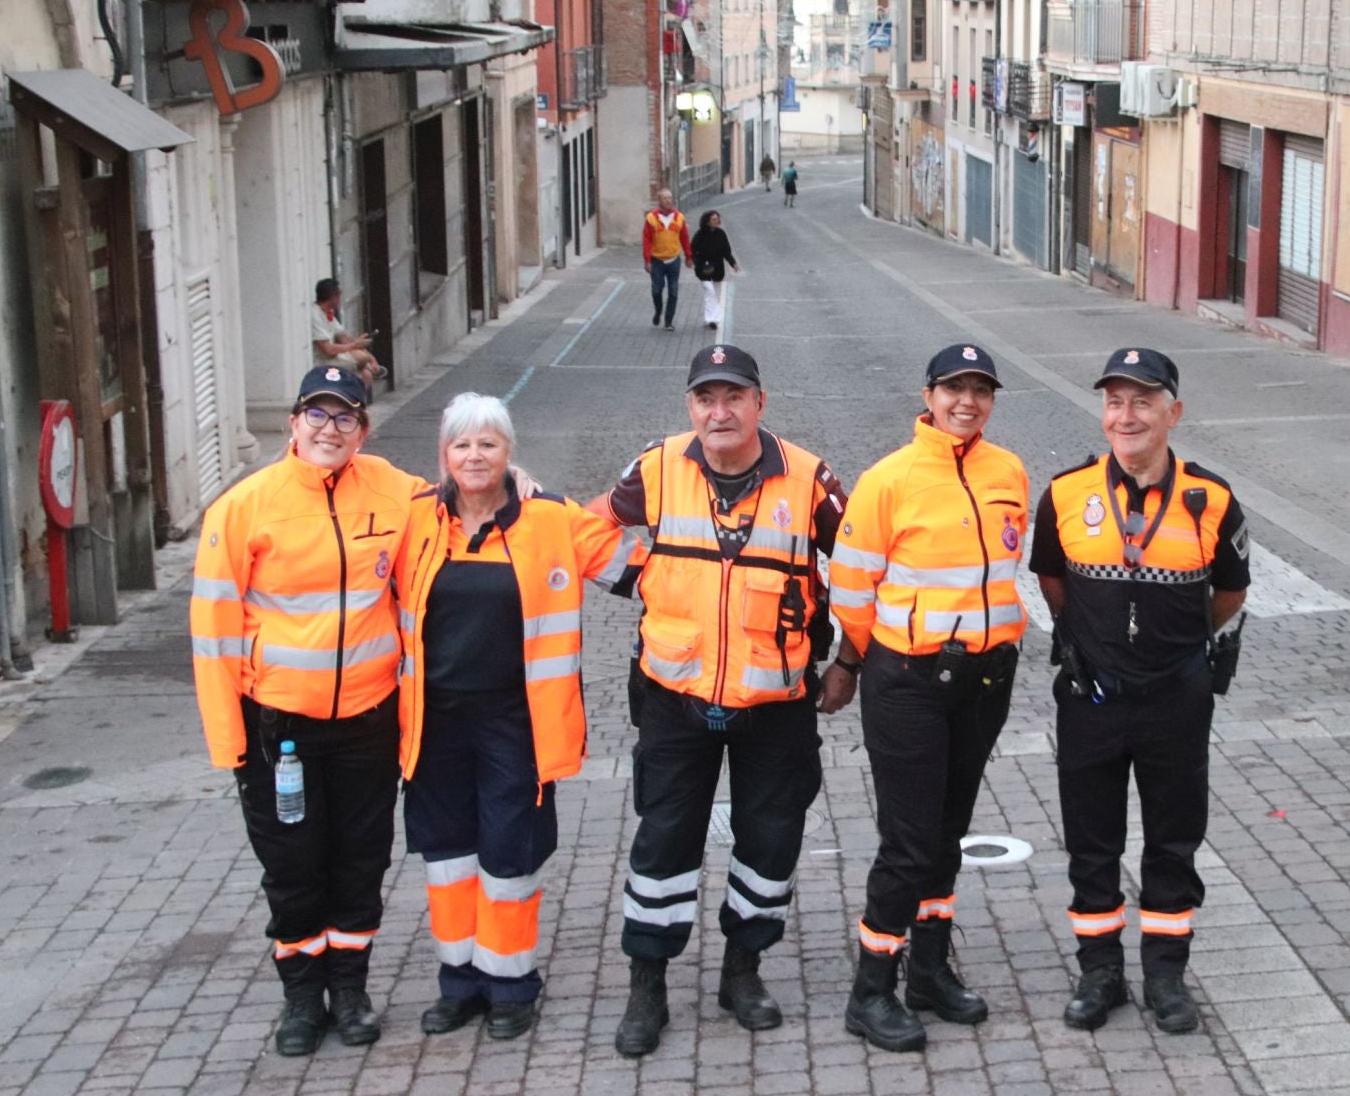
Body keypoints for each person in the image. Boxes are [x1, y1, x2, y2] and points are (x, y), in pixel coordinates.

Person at [586, 343, 853, 1058]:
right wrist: (642, 576)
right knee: (664, 838)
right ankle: (648, 983)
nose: (720, 411)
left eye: (734, 396)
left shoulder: (809, 478)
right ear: (690, 407)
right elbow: (586, 530)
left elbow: (861, 566)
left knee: (770, 839)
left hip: (777, 702)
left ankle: (743, 971)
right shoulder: (656, 467)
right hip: (674, 698)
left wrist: (846, 658)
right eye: (706, 398)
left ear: (760, 404)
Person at [190, 364, 424, 1056]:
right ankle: (301, 999)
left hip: (368, 720)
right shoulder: (243, 508)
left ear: (363, 430)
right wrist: (229, 740)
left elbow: (466, 497)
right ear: (294, 423)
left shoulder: (395, 491)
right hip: (277, 730)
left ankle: (349, 992)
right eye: (317, 415)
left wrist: (520, 483)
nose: (330, 429)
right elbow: (212, 633)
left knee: (360, 861)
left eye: (345, 416)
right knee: (293, 869)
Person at [397, 394, 643, 1041]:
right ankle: (459, 982)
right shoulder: (414, 517)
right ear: (443, 456)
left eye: (488, 443)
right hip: (434, 722)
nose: (474, 456)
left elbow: (641, 571)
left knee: (510, 856)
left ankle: (511, 983)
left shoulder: (550, 518)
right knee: (447, 858)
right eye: (462, 445)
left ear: (510, 452)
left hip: (517, 722)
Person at [1031, 348, 1250, 1035]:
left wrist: (1179, 646)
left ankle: (1165, 976)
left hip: (1175, 700)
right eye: (1115, 401)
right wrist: (1085, 640)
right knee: (1091, 842)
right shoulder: (1065, 494)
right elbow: (1051, 579)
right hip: (1092, 697)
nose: (1126, 416)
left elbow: (1231, 592)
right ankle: (1100, 973)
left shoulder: (1213, 500)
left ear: (1172, 413)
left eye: (1143, 401)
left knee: (1172, 842)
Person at [826, 344, 1029, 1053]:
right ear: (928, 396)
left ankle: (930, 972)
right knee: (909, 843)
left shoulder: (1008, 471)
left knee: (948, 833)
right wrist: (863, 658)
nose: (966, 402)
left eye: (980, 390)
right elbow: (851, 588)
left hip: (985, 678)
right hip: (908, 680)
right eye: (953, 388)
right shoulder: (889, 479)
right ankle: (870, 989)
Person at [310, 279, 387, 389]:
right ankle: (370, 368)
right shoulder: (316, 315)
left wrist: (371, 357)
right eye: (339, 294)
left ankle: (360, 391)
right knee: (361, 358)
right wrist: (356, 346)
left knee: (366, 374)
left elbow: (343, 337)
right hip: (323, 361)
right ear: (333, 296)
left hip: (335, 357)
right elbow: (327, 350)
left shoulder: (328, 312)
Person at [641, 188, 693, 331]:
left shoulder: (679, 217)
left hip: (674, 260)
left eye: (670, 197)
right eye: (665, 198)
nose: (668, 200)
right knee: (657, 290)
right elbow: (646, 240)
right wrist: (647, 260)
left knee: (673, 291)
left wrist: (688, 256)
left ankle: (668, 321)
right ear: (659, 200)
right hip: (656, 261)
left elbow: (685, 238)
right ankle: (658, 311)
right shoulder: (651, 218)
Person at [691, 210, 742, 332]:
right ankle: (711, 319)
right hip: (703, 269)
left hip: (718, 269)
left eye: (717, 219)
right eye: (713, 219)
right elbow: (692, 249)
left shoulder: (721, 234)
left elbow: (726, 251)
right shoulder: (700, 234)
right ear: (707, 221)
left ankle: (713, 319)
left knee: (714, 293)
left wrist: (733, 263)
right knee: (710, 292)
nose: (716, 221)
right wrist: (696, 261)